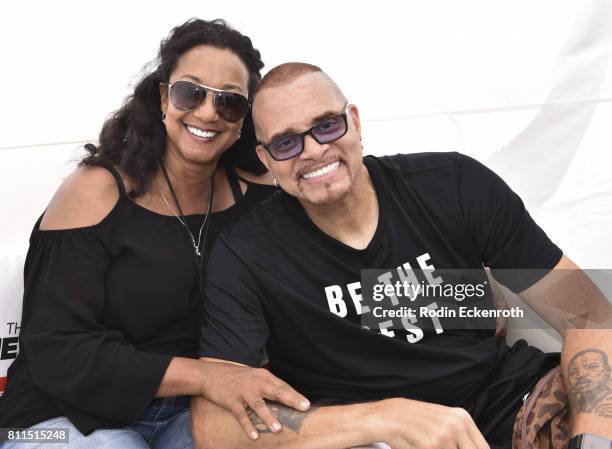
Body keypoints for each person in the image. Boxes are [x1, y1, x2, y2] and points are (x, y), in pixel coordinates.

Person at [190, 63, 612, 449]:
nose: (314, 150)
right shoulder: (245, 254)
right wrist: (384, 419)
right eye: (286, 143)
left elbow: (589, 315)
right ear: (266, 158)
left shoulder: (454, 186)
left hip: (517, 407)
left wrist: (593, 438)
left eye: (327, 126)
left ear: (354, 122)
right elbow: (213, 427)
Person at [0, 20, 309, 449]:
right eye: (191, 92)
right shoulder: (97, 191)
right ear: (164, 97)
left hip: (189, 411)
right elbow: (58, 350)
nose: (206, 112)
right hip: (55, 416)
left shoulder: (258, 198)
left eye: (229, 102)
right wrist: (208, 376)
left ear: (245, 120)